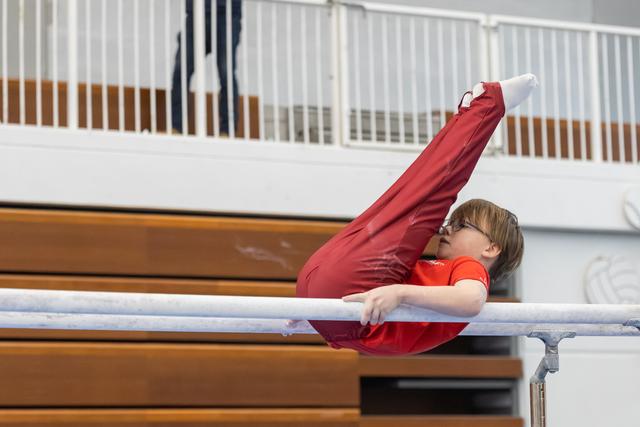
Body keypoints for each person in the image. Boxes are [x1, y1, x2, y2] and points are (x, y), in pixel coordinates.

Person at [294, 74, 538, 356]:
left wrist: (399, 292)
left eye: (460, 225)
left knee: (428, 192)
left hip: (356, 317)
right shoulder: (436, 272)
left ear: (491, 247)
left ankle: (487, 106)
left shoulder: (471, 270)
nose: (445, 230)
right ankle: (473, 113)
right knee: (408, 195)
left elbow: (471, 300)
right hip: (336, 308)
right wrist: (313, 312)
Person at [170, 0, 242, 136]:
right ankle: (176, 127)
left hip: (226, 14)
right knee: (181, 70)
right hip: (196, 14)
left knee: (226, 73)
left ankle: (227, 130)